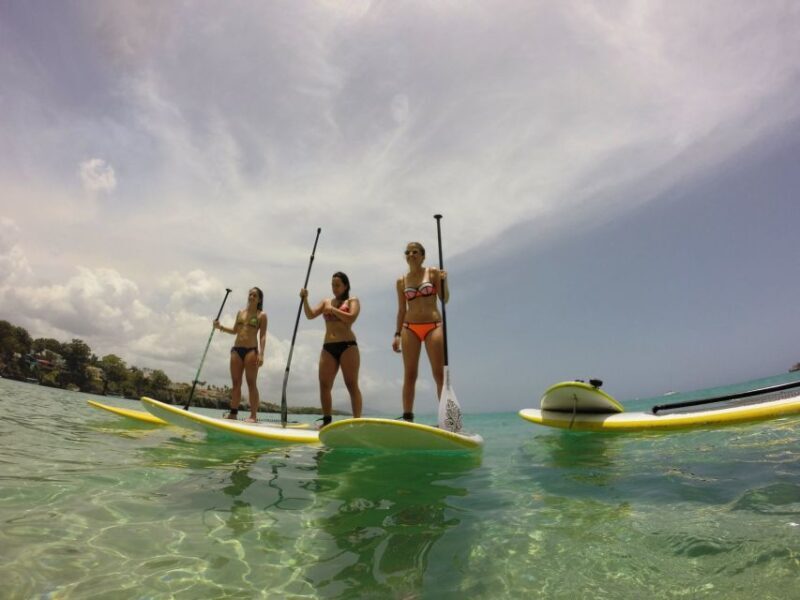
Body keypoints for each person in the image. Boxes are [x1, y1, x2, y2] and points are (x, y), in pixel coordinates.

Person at [392, 242, 449, 422]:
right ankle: (407, 417)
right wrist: (397, 334)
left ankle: (445, 418)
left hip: (433, 326)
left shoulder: (432, 273)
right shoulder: (401, 281)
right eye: (407, 252)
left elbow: (444, 299)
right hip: (410, 328)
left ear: (423, 256)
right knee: (410, 374)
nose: (411, 255)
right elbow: (401, 309)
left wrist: (444, 281)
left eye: (415, 252)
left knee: (438, 374)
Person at [300, 272, 363, 427]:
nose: (334, 288)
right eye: (332, 285)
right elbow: (310, 315)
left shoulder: (352, 300)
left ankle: (357, 421)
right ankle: (327, 421)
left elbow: (351, 317)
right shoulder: (326, 301)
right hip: (328, 347)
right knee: (324, 384)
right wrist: (305, 299)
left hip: (348, 345)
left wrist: (333, 310)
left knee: (351, 383)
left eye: (337, 285)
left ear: (345, 286)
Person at [213, 287, 267, 422]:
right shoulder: (240, 313)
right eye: (250, 294)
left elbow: (263, 336)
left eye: (255, 295)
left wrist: (261, 353)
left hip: (251, 351)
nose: (251, 297)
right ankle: (233, 413)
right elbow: (235, 330)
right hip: (236, 350)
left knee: (251, 383)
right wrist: (220, 327)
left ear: (259, 299)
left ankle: (253, 416)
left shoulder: (262, 315)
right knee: (236, 383)